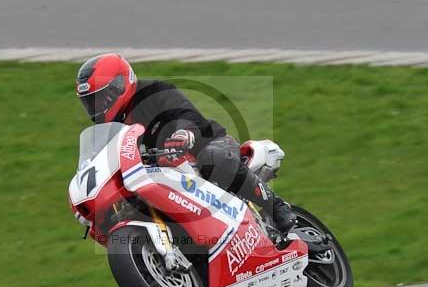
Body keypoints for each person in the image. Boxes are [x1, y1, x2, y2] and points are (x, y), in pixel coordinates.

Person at [75, 53, 297, 233]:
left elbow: (186, 114)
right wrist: (91, 203)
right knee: (129, 210)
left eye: (101, 99)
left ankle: (276, 207)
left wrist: (183, 134)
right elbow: (102, 165)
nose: (97, 108)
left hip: (204, 148)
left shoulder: (154, 92)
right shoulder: (107, 133)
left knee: (214, 159)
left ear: (119, 85)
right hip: (158, 178)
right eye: (90, 102)